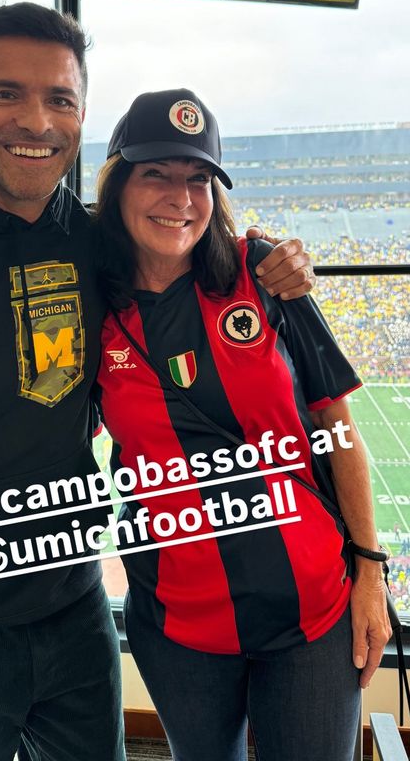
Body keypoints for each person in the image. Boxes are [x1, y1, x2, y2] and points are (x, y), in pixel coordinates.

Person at [0, 5, 314, 761]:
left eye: (59, 99)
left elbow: (190, 251)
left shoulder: (93, 241)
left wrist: (271, 262)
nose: (37, 120)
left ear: (82, 115)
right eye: (5, 94)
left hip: (74, 610)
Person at [93, 88, 391, 761]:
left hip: (311, 613)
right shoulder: (88, 301)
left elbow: (336, 426)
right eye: (156, 175)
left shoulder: (262, 274)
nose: (181, 198)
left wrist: (370, 572)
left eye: (198, 178)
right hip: (178, 625)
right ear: (118, 185)